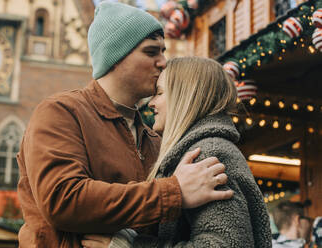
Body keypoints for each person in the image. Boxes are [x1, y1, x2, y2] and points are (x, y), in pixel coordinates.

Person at [16, 2, 233, 247]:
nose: (163, 63)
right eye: (151, 52)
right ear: (116, 56)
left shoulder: (155, 139)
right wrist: (173, 192)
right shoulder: (62, 112)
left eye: (163, 51)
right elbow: (62, 199)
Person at [81, 57, 273, 248]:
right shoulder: (201, 150)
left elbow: (224, 244)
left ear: (185, 96)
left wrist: (130, 246)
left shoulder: (207, 154)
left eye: (160, 93)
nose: (151, 103)